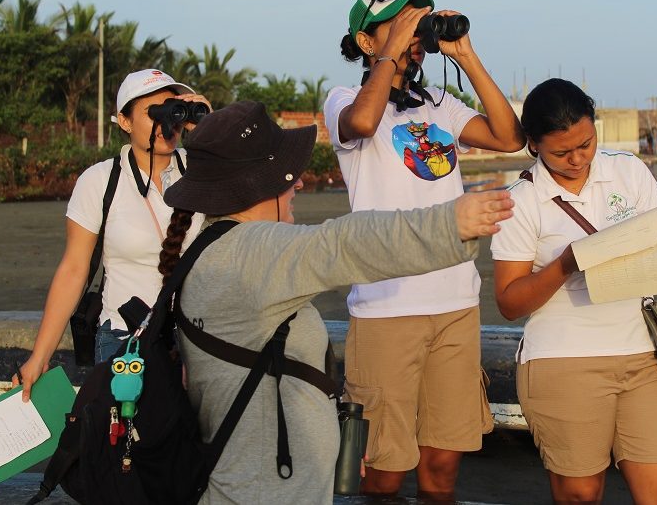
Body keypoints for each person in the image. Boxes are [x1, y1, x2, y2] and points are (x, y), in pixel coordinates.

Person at [157, 100, 514, 504]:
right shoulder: (253, 252)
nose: (298, 185)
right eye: (288, 175)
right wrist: (449, 224)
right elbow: (343, 243)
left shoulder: (211, 248)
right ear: (258, 183)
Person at [322, 0, 525, 499]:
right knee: (384, 469)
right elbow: (364, 123)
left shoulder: (437, 104)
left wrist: (464, 53)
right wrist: (395, 46)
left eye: (419, 25)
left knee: (442, 467)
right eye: (398, 25)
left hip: (455, 302)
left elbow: (509, 138)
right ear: (366, 42)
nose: (414, 36)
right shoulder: (344, 100)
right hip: (386, 306)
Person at [491, 78, 657, 504]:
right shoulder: (521, 201)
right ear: (533, 145)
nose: (578, 159)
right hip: (562, 362)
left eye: (587, 143)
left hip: (642, 356)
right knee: (580, 494)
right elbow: (508, 302)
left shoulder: (627, 170)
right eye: (562, 152)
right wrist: (566, 264)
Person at [13, 69, 210, 400]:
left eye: (174, 110)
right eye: (155, 112)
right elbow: (74, 270)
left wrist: (211, 130)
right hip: (124, 342)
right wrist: (40, 357)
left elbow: (257, 198)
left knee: (192, 448)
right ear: (125, 121)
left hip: (198, 337)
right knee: (127, 448)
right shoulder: (100, 181)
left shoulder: (205, 172)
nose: (169, 123)